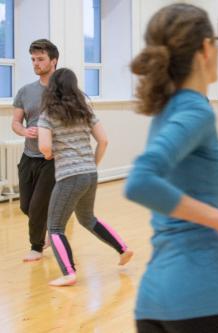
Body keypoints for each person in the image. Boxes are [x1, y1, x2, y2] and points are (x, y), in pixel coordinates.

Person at [125, 4, 218, 332]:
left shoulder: (168, 109)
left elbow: (180, 189)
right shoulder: (194, 110)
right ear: (205, 49)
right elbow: (141, 182)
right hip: (201, 295)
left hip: (154, 301)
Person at [37, 68, 133, 286]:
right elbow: (104, 141)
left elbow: (44, 146)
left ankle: (68, 273)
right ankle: (123, 249)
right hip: (89, 173)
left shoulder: (48, 114)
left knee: (54, 227)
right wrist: (93, 164)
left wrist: (49, 153)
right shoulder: (85, 111)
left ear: (52, 88)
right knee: (88, 219)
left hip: (70, 176)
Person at [12, 39, 58, 262]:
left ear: (53, 61)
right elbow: (16, 123)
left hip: (52, 158)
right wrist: (24, 132)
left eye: (40, 59)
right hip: (28, 156)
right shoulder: (25, 91)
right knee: (26, 205)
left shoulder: (64, 91)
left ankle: (36, 247)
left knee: (38, 204)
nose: (36, 63)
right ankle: (53, 225)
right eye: (33, 59)